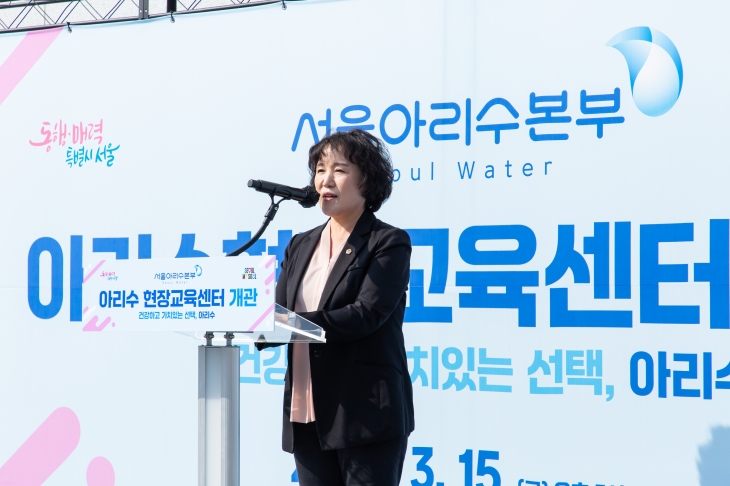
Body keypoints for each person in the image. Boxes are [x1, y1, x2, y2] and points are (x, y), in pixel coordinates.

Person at [269, 129, 414, 486]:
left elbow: (367, 314)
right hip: (306, 410)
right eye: (320, 170)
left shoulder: (388, 242)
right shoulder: (300, 245)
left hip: (366, 413)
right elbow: (277, 313)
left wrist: (293, 324)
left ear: (367, 180)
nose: (325, 180)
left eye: (339, 170)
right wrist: (247, 318)